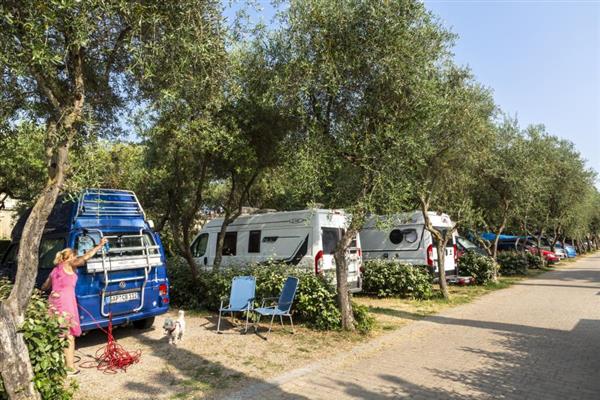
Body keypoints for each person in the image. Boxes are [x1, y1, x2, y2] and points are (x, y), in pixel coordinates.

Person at [41, 237, 108, 375]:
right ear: (69, 257)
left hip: (54, 302)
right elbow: (86, 257)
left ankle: (57, 364)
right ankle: (70, 367)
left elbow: (45, 286)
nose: (76, 258)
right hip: (65, 303)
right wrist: (99, 245)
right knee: (68, 336)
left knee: (58, 334)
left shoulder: (55, 270)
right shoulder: (69, 265)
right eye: (74, 256)